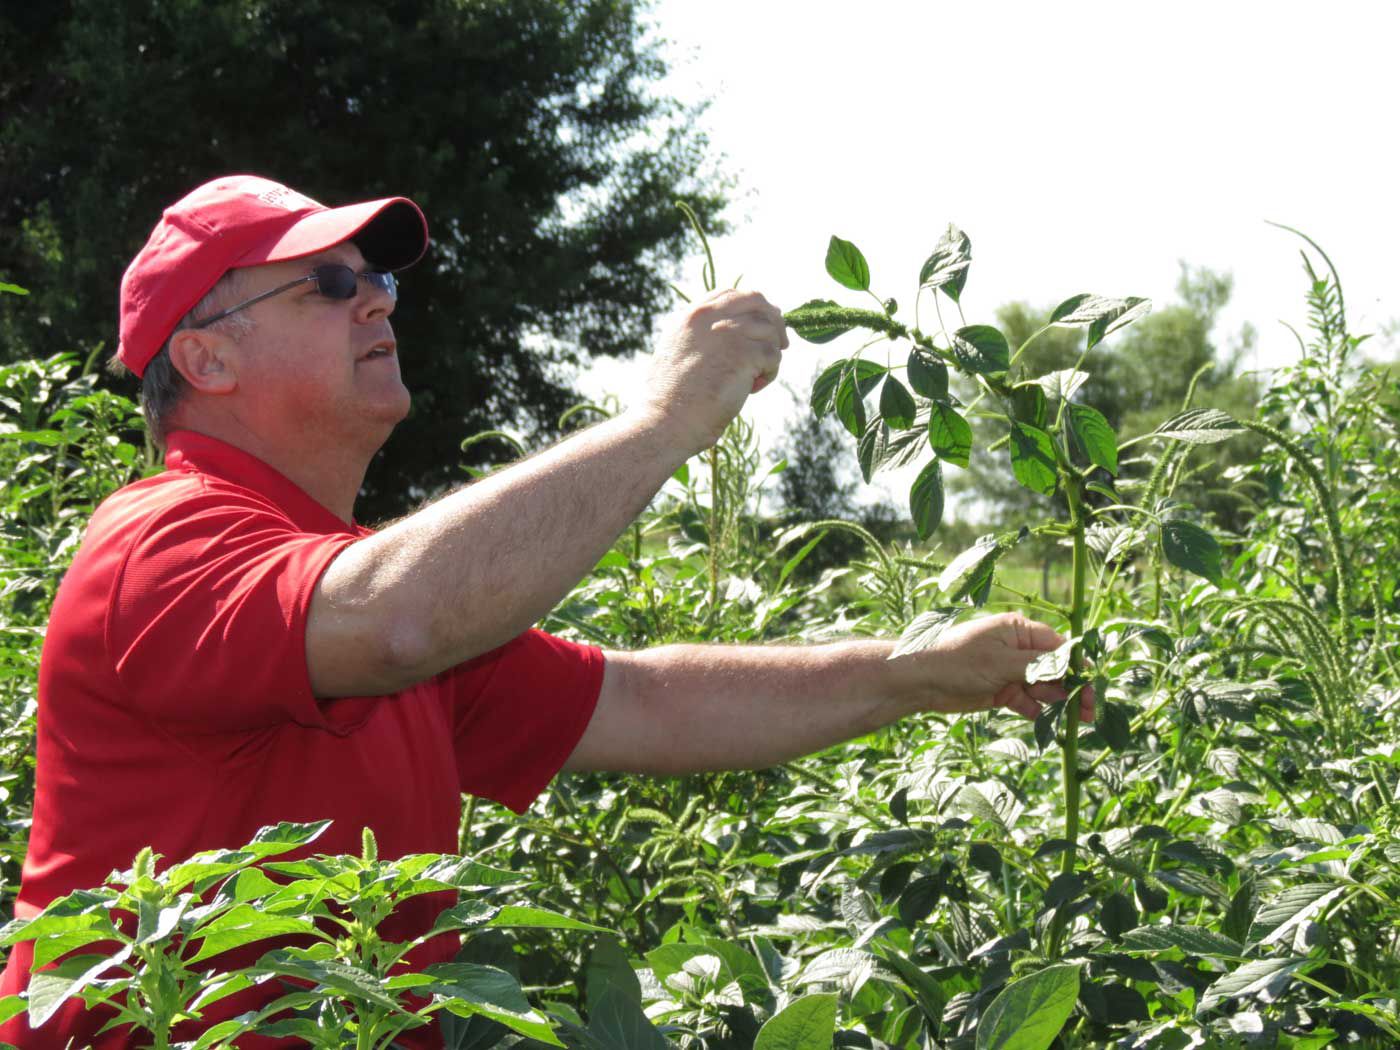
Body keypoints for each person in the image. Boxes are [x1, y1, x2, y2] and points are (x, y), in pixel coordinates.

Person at [0, 175, 1090, 1048]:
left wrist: (916, 675)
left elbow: (641, 702)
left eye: (377, 280)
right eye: (327, 285)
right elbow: (400, 618)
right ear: (206, 357)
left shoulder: (328, 576)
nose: (376, 297)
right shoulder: (161, 544)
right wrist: (666, 419)